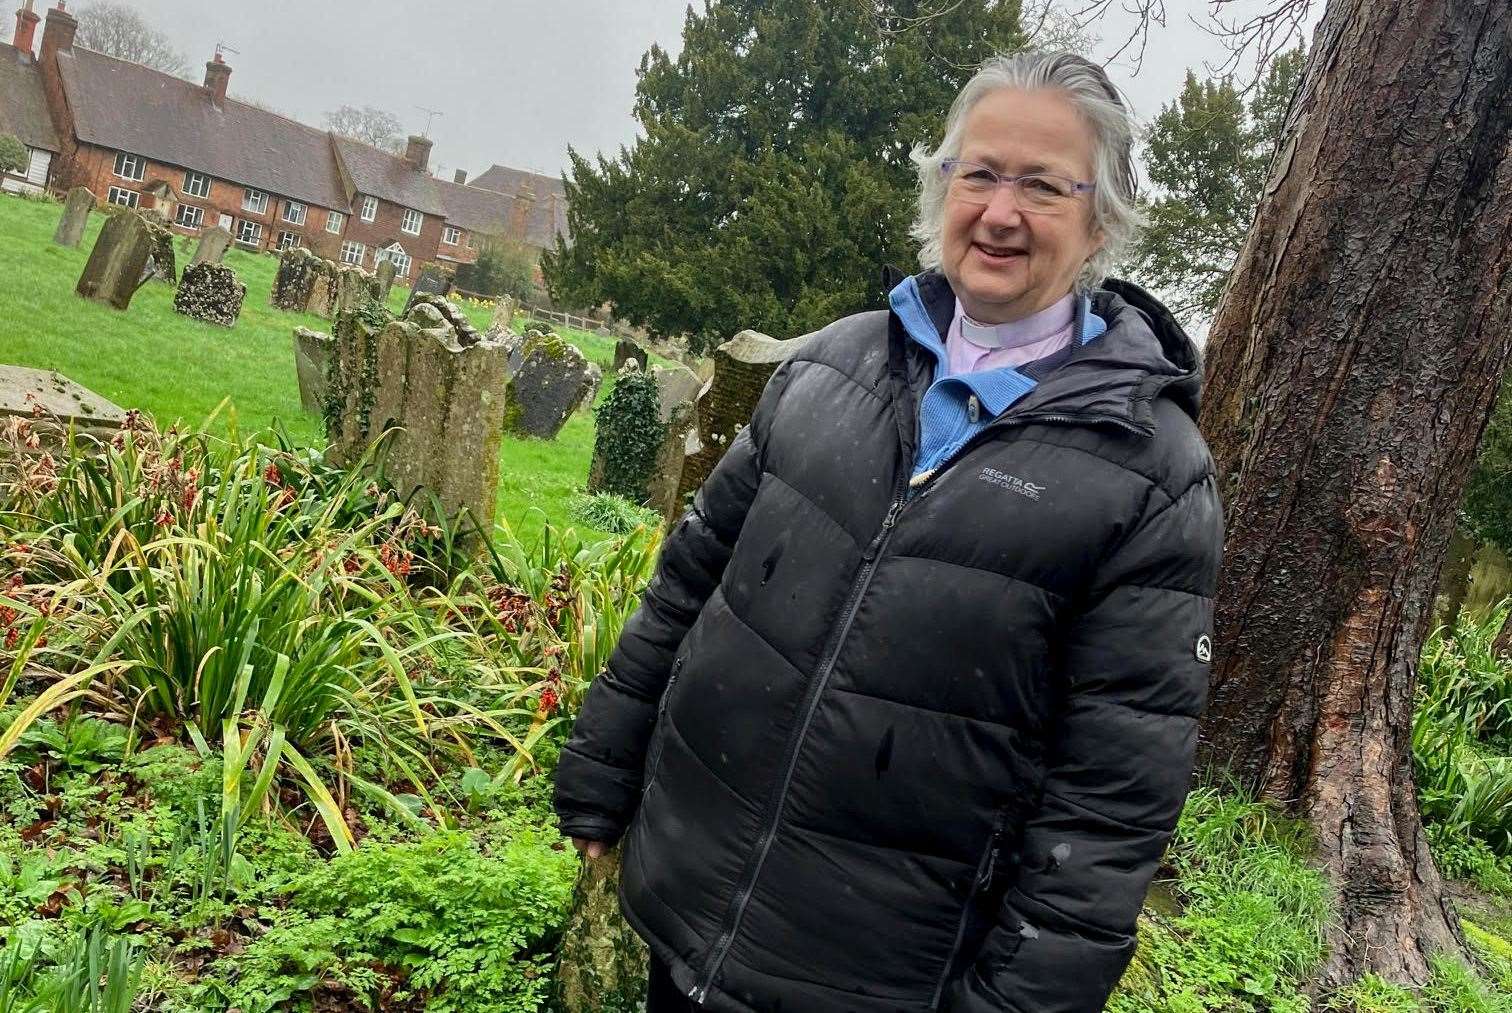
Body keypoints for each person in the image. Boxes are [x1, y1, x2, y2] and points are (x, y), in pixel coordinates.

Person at [554, 50, 1224, 1013]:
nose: (1000, 211)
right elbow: (689, 583)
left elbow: (1113, 794)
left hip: (883, 980)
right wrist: (605, 765)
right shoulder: (832, 365)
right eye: (979, 172)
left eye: (1042, 184)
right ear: (940, 186)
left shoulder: (1150, 470)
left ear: (1101, 220)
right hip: (691, 912)